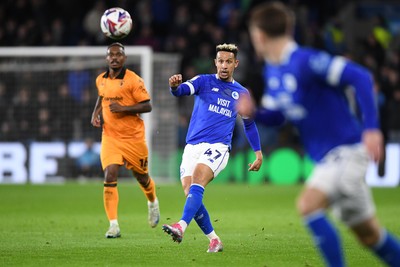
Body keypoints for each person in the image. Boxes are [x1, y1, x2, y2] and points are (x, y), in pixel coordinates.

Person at [242, 2, 400, 266]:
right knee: (370, 236)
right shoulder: (273, 71)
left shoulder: (306, 61)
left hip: (345, 152)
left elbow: (360, 77)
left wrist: (372, 128)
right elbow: (280, 117)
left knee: (308, 205)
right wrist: (255, 112)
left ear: (258, 35)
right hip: (328, 158)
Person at [162, 43, 263, 252]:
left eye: (228, 62)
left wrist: (258, 153)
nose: (224, 65)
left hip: (218, 147)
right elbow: (182, 90)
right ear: (215, 63)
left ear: (236, 63)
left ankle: (180, 226)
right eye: (220, 61)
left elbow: (249, 124)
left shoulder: (242, 93)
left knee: (199, 178)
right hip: (192, 146)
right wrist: (174, 86)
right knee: (190, 191)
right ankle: (214, 239)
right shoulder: (203, 81)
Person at [91, 42, 160, 238]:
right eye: (111, 55)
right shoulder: (100, 80)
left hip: (133, 138)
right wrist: (95, 112)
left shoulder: (133, 81)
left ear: (124, 58)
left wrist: (124, 109)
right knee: (110, 175)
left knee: (142, 178)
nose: (114, 58)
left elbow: (147, 106)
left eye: (118, 55)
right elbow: (101, 96)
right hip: (110, 137)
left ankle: (152, 201)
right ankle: (113, 225)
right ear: (107, 58)